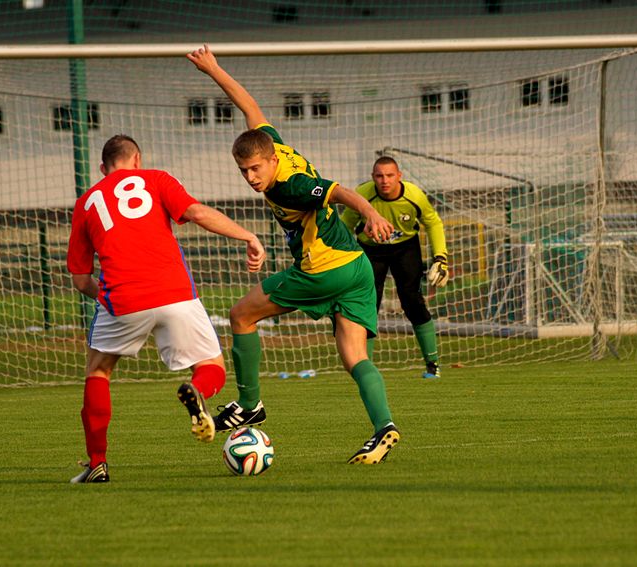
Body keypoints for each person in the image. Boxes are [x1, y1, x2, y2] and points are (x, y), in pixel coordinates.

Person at [187, 44, 400, 465]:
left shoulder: (290, 185)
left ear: (270, 161)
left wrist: (372, 211)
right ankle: (384, 428)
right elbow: (249, 106)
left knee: (241, 315)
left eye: (255, 170)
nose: (251, 178)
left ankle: (250, 404)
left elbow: (338, 191)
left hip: (322, 270)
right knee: (355, 357)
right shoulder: (273, 145)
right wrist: (214, 69)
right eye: (244, 171)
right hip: (356, 267)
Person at [66, 134, 266, 483]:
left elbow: (81, 280)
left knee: (98, 372)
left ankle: (97, 462)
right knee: (211, 366)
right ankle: (199, 393)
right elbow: (197, 212)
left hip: (122, 298)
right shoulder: (156, 179)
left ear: (103, 168)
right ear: (137, 160)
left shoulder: (86, 203)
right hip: (175, 293)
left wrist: (113, 297)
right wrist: (247, 236)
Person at [340, 157, 450, 379]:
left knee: (412, 301)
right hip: (370, 250)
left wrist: (441, 257)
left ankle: (432, 364)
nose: (384, 181)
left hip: (405, 249)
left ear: (399, 176)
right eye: (379, 176)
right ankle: (363, 367)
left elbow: (433, 222)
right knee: (367, 305)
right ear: (373, 178)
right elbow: (345, 226)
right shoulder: (362, 194)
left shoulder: (414, 195)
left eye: (389, 175)